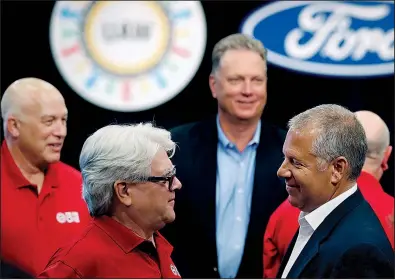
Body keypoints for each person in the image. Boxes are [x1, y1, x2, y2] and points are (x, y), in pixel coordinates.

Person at [160, 33, 288, 278]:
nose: (248, 91)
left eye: (257, 80)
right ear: (213, 85)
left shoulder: (291, 153)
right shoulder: (175, 147)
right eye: (236, 80)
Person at [38, 123, 183, 278]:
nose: (177, 184)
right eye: (166, 177)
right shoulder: (78, 263)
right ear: (124, 191)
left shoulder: (155, 244)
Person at [263, 109, 394, 278]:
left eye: (296, 162)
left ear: (337, 169)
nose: (281, 172)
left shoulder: (362, 251)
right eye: (284, 158)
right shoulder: (310, 216)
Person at [0, 78, 91, 277]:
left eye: (64, 120)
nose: (61, 132)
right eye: (49, 121)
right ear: (14, 126)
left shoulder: (82, 187)